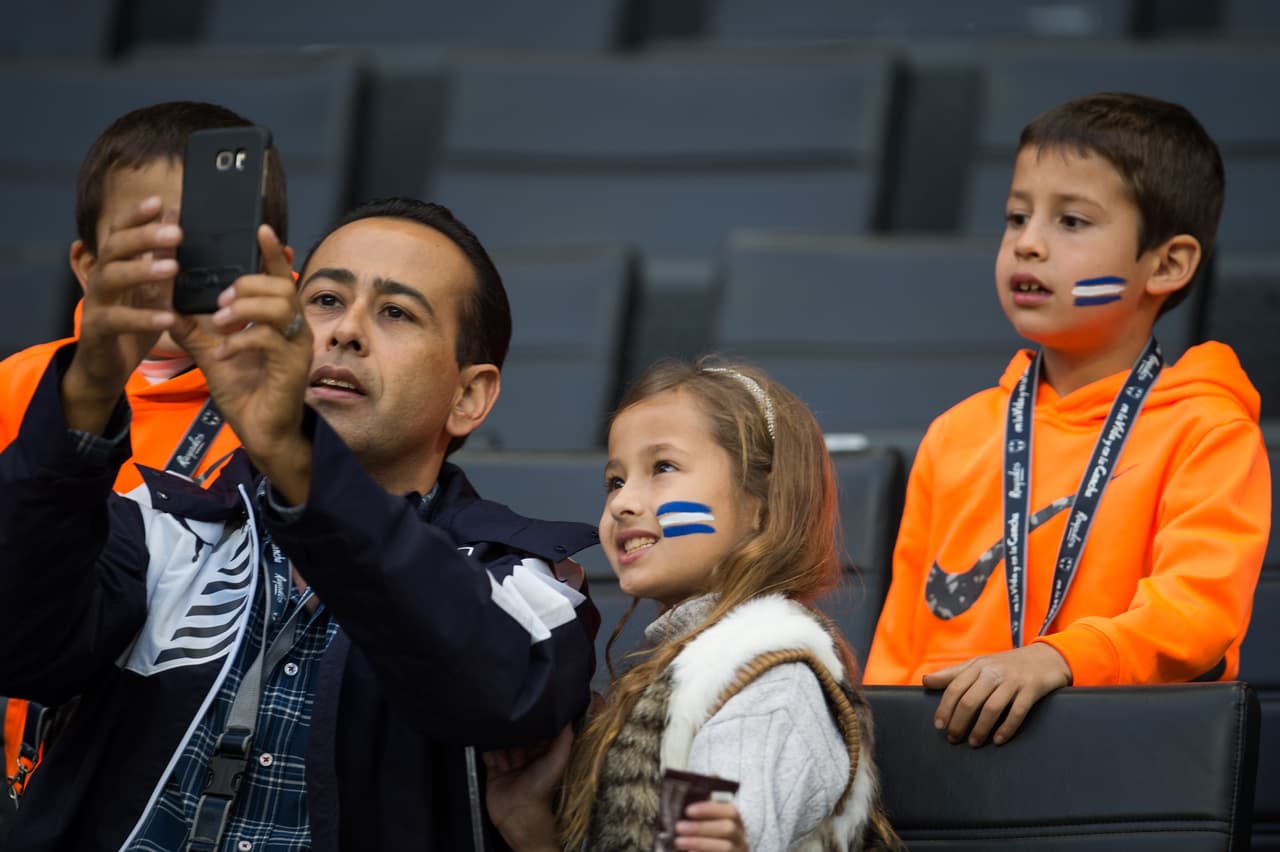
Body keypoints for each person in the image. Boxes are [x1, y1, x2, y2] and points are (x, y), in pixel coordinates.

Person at [0, 196, 599, 850]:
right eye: (324, 302)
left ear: (469, 396)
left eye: (396, 312)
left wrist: (295, 454)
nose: (344, 332)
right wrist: (88, 389)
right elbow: (18, 641)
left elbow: (502, 696)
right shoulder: (158, 521)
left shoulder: (527, 576)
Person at [864, 91, 1270, 748]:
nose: (1027, 244)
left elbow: (1197, 616)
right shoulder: (955, 436)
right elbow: (897, 651)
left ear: (1165, 265)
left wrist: (1058, 657)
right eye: (1016, 216)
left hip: (1113, 767)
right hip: (944, 776)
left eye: (1071, 223)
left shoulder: (1208, 430)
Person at [0, 100, 292, 822]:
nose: (174, 269)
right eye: (144, 243)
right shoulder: (16, 387)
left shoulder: (292, 421)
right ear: (86, 264)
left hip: (151, 797)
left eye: (206, 242)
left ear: (276, 263)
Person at [485, 361, 901, 851]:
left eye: (663, 467)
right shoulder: (683, 671)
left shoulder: (764, 687)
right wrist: (528, 825)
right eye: (615, 481)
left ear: (761, 504)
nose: (621, 503)